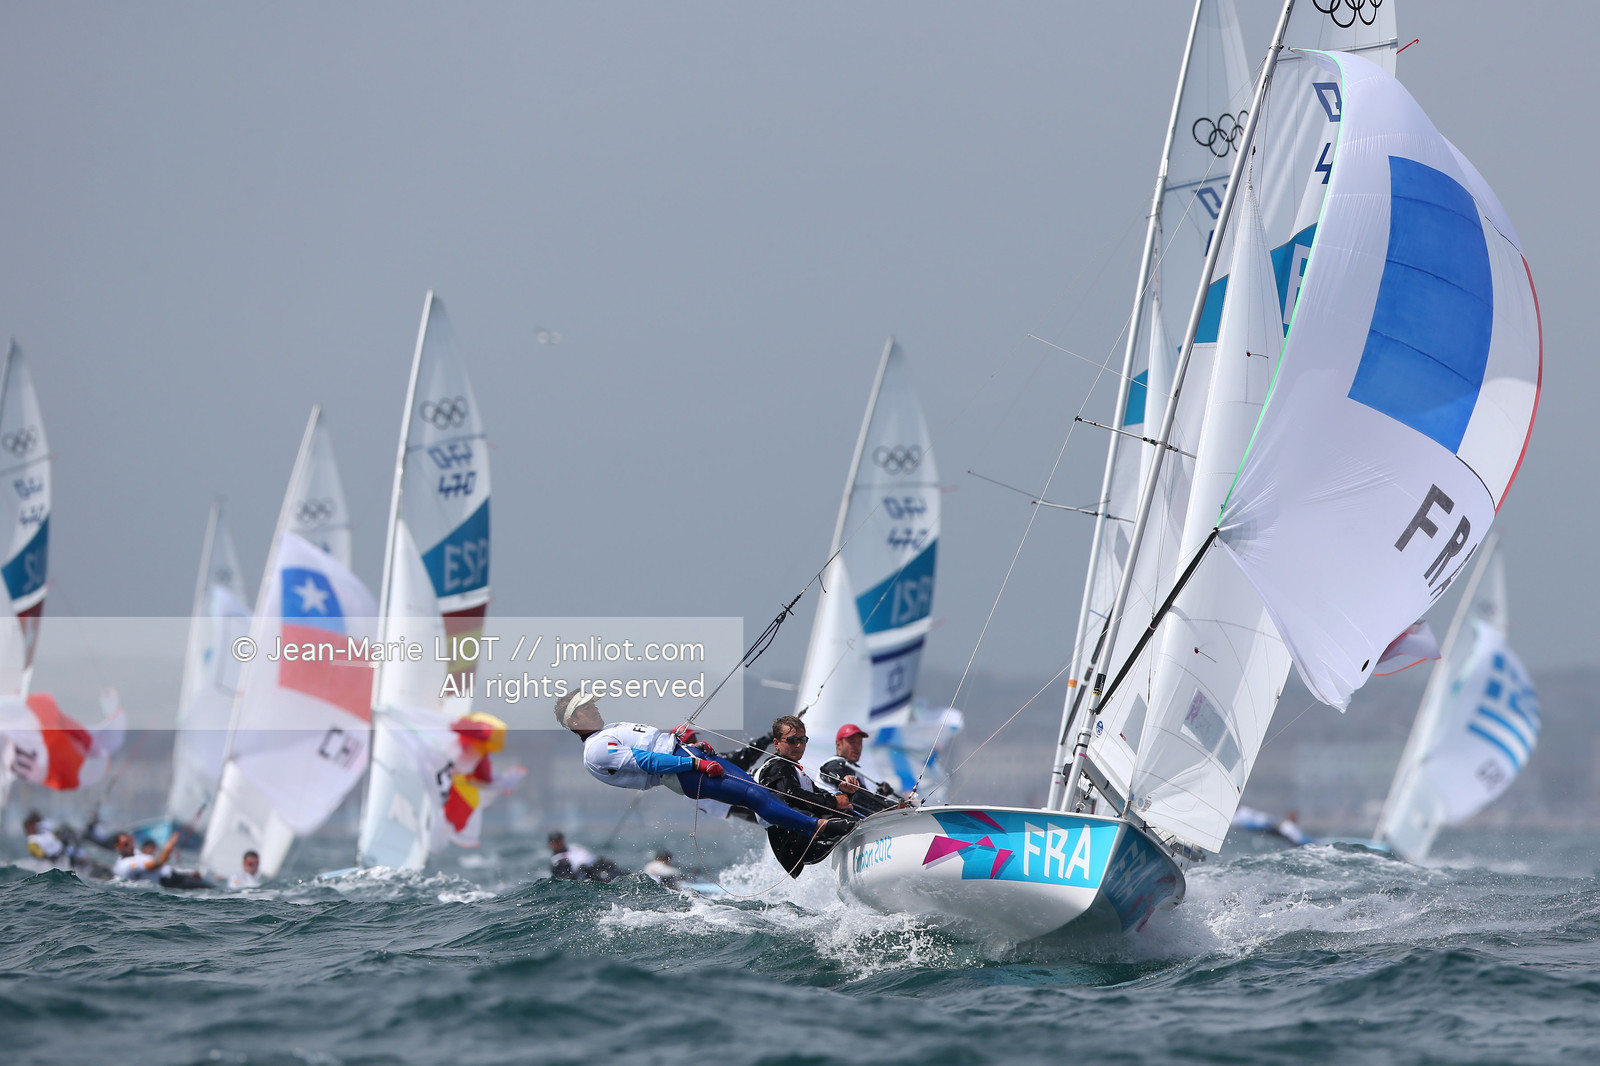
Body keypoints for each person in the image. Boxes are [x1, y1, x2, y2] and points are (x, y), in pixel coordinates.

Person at [553, 691, 845, 853]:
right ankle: (818, 827)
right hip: (683, 773)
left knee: (761, 793)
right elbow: (648, 762)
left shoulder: (610, 729)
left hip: (688, 756)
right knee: (755, 797)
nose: (594, 708)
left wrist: (684, 743)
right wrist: (695, 764)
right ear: (574, 719)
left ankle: (810, 832)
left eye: (592, 704)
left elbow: (658, 746)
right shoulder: (595, 749)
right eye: (587, 707)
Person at [756, 715, 858, 877]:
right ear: (776, 743)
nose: (798, 745)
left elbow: (818, 798)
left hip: (801, 838)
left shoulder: (792, 769)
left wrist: (846, 794)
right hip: (793, 842)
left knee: (852, 818)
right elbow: (793, 795)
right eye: (792, 740)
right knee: (855, 824)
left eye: (803, 740)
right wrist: (834, 801)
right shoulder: (777, 767)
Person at [818, 723, 904, 816]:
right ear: (839, 745)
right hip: (836, 821)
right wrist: (894, 808)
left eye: (859, 742)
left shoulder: (849, 767)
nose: (856, 747)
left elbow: (863, 801)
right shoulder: (836, 764)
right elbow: (859, 799)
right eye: (852, 742)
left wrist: (881, 794)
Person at [547, 830, 623, 882]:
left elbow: (587, 856)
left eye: (560, 840)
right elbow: (567, 879)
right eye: (556, 842)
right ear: (550, 844)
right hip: (589, 874)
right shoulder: (557, 861)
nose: (559, 843)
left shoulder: (573, 847)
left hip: (597, 866)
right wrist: (581, 869)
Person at [111, 831, 178, 882]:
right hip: (168, 881)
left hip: (172, 873)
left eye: (131, 841)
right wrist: (170, 844)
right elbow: (157, 864)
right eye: (126, 844)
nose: (131, 845)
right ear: (118, 847)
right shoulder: (127, 865)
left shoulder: (134, 852)